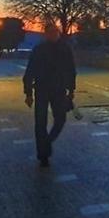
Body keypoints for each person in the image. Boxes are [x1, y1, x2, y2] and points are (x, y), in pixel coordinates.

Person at [23, 24, 76, 167]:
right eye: (50, 33)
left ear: (58, 33)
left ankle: (46, 142)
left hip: (58, 90)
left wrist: (71, 90)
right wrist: (28, 93)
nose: (53, 35)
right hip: (42, 88)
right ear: (46, 34)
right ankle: (43, 155)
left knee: (60, 119)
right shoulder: (39, 49)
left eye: (55, 32)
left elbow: (71, 70)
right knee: (40, 122)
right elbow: (30, 71)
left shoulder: (65, 49)